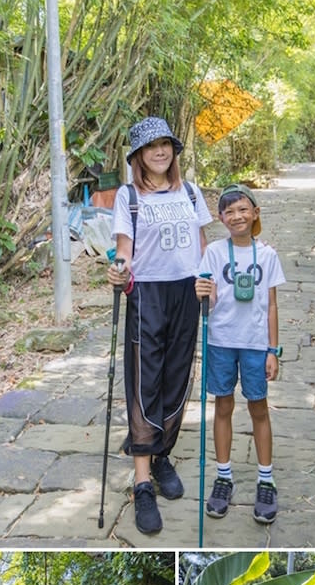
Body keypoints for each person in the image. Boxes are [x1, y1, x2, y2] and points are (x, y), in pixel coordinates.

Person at [108, 116, 212, 535]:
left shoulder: (190, 191)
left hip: (187, 291)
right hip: (147, 294)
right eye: (151, 147)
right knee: (143, 380)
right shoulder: (128, 195)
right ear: (138, 156)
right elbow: (123, 251)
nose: (160, 151)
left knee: (176, 376)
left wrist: (210, 280)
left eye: (166, 144)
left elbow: (202, 245)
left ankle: (162, 452)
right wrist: (118, 271)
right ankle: (141, 479)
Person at [195, 184, 286, 523]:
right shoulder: (215, 254)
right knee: (223, 405)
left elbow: (273, 305)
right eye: (229, 211)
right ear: (221, 218)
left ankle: (266, 479)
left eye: (243, 209)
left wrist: (272, 350)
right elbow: (210, 300)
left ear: (255, 212)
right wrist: (202, 292)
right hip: (220, 340)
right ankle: (223, 476)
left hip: (254, 343)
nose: (237, 216)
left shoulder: (268, 255)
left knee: (258, 407)